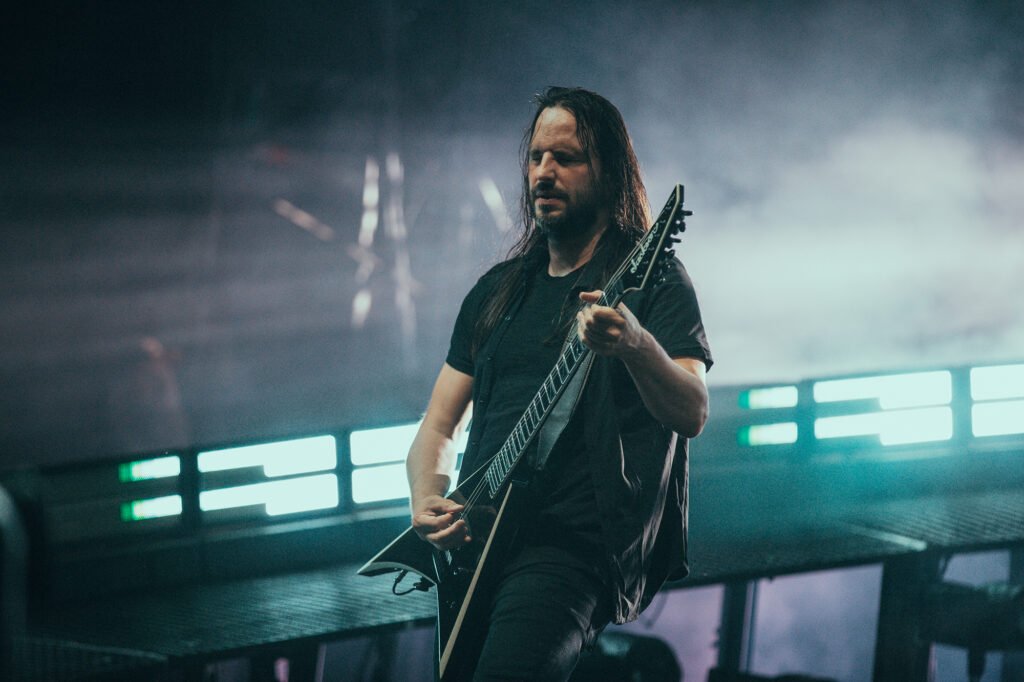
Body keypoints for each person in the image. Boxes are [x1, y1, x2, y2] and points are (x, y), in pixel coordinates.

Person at [405, 86, 713, 682]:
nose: (544, 173)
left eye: (565, 158)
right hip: (478, 547)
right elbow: (438, 426)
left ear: (609, 173)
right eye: (536, 157)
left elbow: (692, 411)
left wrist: (635, 343)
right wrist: (426, 496)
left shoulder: (654, 278)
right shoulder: (496, 292)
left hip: (570, 546)